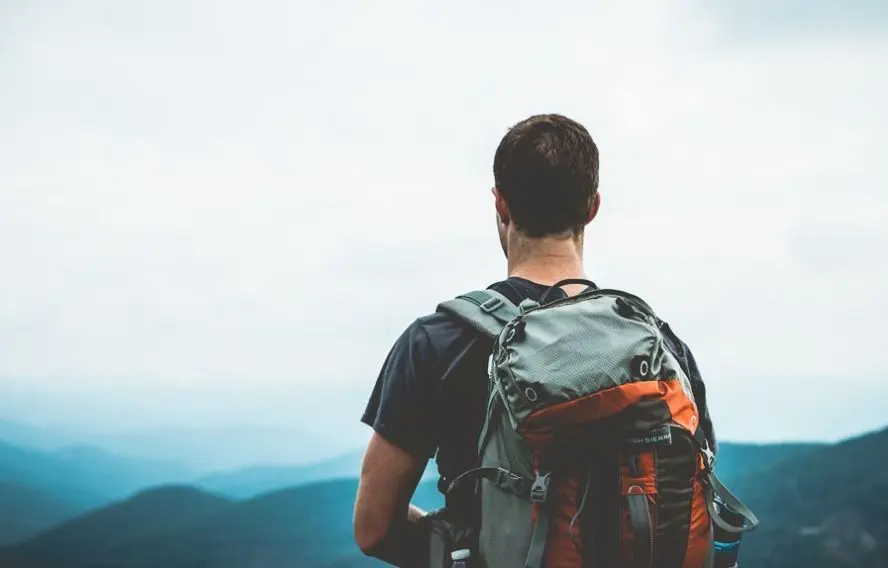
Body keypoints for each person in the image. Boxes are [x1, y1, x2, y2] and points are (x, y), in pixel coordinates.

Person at [353, 113, 717, 567]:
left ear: (500, 204)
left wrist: (460, 548)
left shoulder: (436, 344)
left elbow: (374, 528)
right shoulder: (660, 346)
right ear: (593, 206)